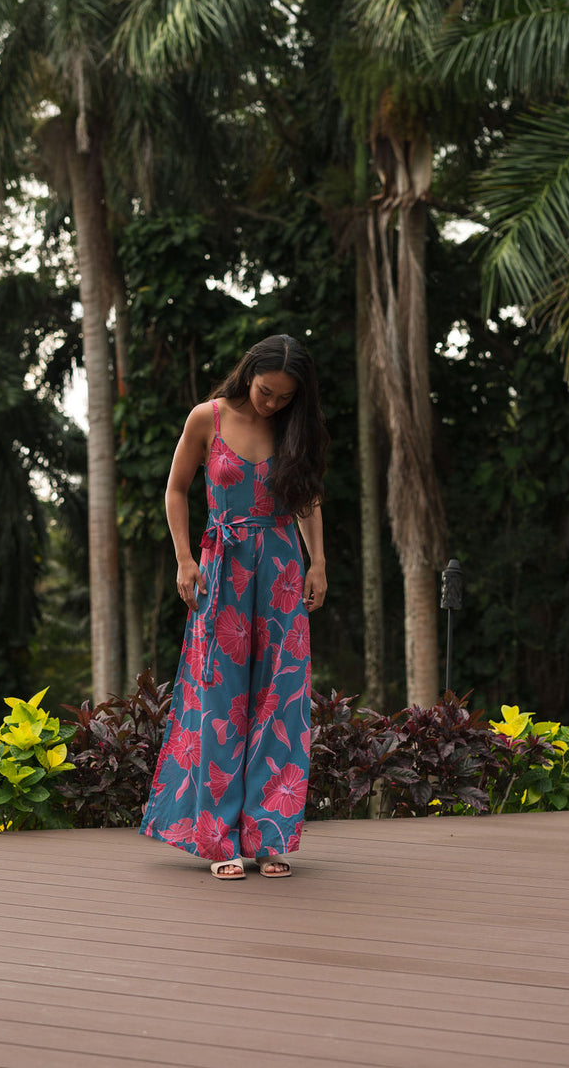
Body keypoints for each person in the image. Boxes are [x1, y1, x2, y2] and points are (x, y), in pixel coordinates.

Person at [140, 333, 328, 880]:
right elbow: (176, 489)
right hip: (221, 569)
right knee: (219, 702)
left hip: (282, 571)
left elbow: (309, 498)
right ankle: (219, 840)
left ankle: (270, 837)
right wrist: (182, 558)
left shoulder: (295, 429)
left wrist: (318, 563)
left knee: (281, 701)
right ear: (249, 373)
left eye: (285, 398)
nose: (273, 404)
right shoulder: (208, 418)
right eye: (267, 391)